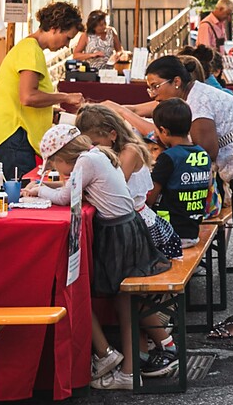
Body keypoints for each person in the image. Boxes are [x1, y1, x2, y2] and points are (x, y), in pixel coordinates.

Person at [136, 54, 233, 340]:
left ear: (177, 82)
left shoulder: (197, 103)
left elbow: (206, 153)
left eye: (156, 87)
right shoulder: (193, 95)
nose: (153, 94)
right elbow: (150, 110)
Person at [31, 124, 176, 386]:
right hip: (127, 229)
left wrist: (37, 190)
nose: (57, 170)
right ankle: (135, 358)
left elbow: (65, 197)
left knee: (125, 300)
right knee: (124, 300)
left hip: (118, 235)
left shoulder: (85, 162)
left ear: (65, 156)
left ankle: (128, 372)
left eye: (55, 164)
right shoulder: (96, 154)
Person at [0, 2, 85, 179]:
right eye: (68, 38)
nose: (67, 45)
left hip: (14, 140)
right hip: (12, 139)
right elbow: (28, 97)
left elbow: (21, 97)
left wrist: (48, 109)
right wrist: (65, 97)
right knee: (21, 199)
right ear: (54, 28)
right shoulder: (31, 50)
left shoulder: (29, 49)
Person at [147, 97, 216, 248]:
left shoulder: (169, 157)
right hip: (192, 231)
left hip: (168, 233)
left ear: (164, 130)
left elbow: (150, 198)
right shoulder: (203, 153)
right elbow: (209, 183)